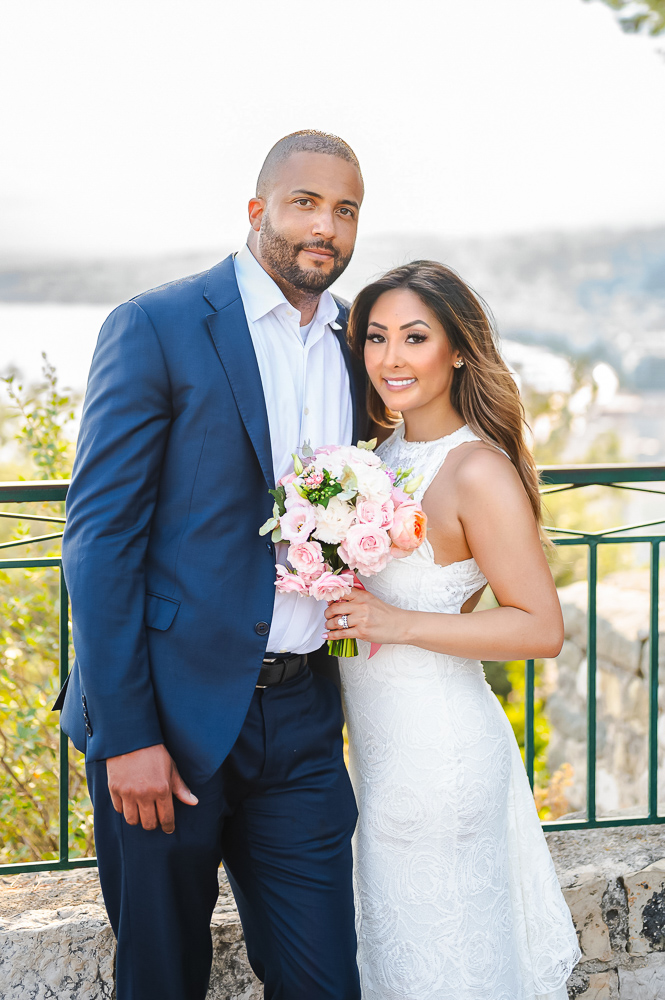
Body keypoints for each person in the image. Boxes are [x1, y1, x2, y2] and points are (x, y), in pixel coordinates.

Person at [56, 130, 368, 1000]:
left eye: (346, 210)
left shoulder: (354, 346)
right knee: (161, 979)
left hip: (303, 720)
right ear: (256, 210)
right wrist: (129, 737)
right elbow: (99, 539)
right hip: (166, 718)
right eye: (306, 202)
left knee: (323, 981)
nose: (327, 227)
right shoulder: (156, 325)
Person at [324, 261, 581, 1000]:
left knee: (448, 966)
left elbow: (540, 627)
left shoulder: (474, 470)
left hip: (440, 761)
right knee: (398, 963)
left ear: (458, 349)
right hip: (376, 754)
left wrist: (395, 621)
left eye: (413, 337)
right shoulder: (374, 463)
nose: (390, 359)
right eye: (375, 338)